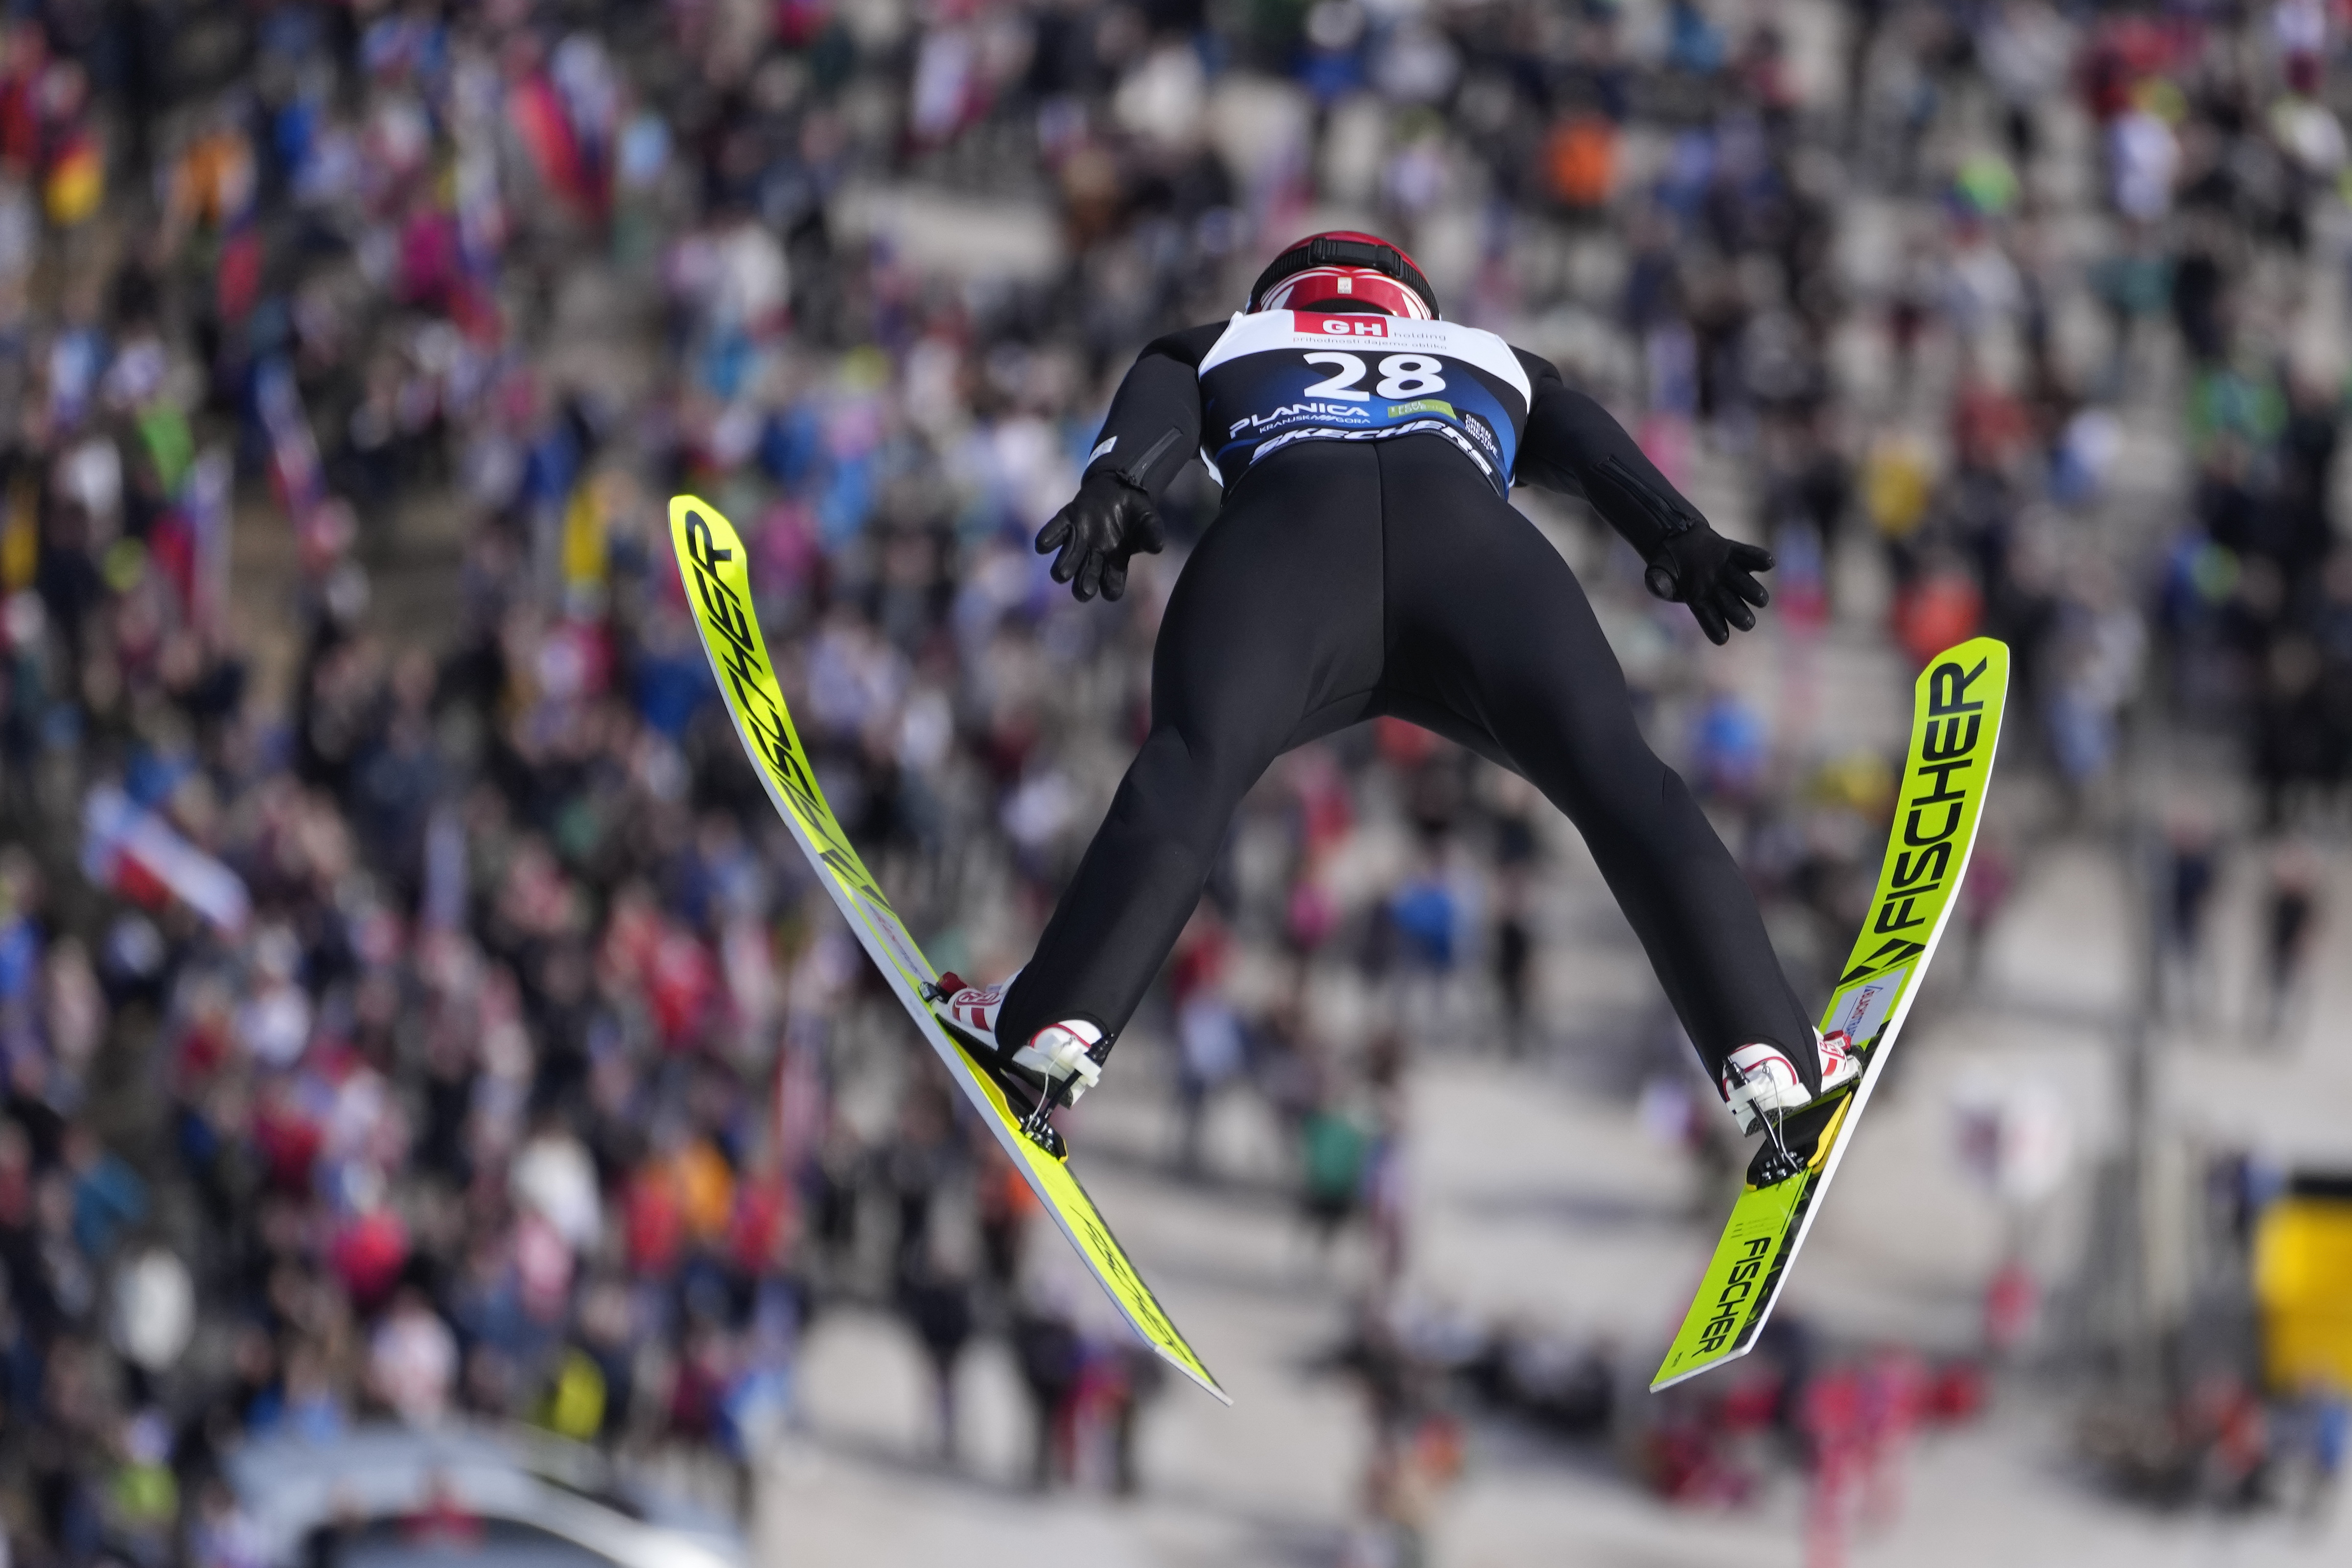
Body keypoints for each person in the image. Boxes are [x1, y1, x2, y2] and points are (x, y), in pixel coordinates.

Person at [929, 231, 1848, 1139]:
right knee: (1625, 785)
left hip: (1286, 552)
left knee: (1190, 771)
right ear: (1413, 306)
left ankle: (1053, 1024)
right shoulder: (1488, 355)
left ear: (1278, 298)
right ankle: (1769, 1052)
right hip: (1479, 564)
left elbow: (1159, 399)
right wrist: (1677, 534)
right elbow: (1582, 438)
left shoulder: (1226, 340)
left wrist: (1117, 481)